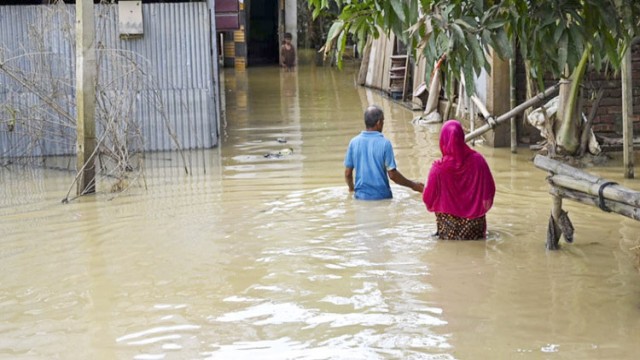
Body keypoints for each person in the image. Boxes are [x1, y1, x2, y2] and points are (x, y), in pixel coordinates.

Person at [423, 120, 496, 240]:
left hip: (448, 230)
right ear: (462, 137)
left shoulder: (438, 169)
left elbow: (427, 198)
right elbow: (490, 190)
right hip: (475, 228)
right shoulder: (479, 161)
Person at [344, 105, 424, 200]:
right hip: (382, 197)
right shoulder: (385, 143)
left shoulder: (353, 142)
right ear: (378, 123)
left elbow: (348, 174)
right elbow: (393, 175)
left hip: (361, 198)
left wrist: (352, 189)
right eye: (383, 121)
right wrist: (414, 185)